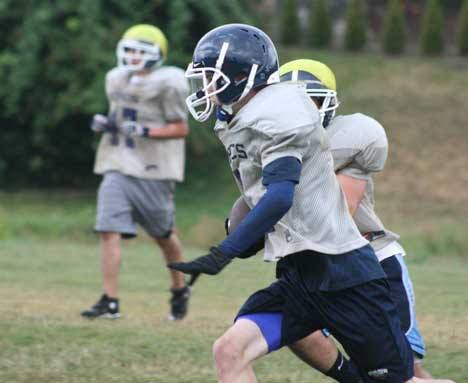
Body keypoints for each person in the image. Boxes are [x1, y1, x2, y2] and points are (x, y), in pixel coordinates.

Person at [170, 23, 421, 383]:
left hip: (346, 277)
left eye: (211, 77)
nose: (205, 88)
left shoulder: (278, 111)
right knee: (229, 350)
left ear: (243, 75)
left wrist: (222, 252)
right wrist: (242, 235)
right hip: (299, 277)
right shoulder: (238, 120)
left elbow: (281, 196)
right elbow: (260, 202)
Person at [278, 59, 438, 380]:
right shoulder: (274, 148)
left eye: (310, 101)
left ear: (328, 103)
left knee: (408, 374)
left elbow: (339, 214)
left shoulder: (351, 137)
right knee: (290, 326)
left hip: (372, 263)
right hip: (318, 270)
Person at [81, 24, 190, 321]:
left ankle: (179, 288)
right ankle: (109, 300)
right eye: (128, 49)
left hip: (154, 171)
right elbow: (120, 117)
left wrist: (144, 130)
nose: (132, 56)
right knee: (107, 229)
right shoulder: (116, 79)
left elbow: (181, 128)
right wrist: (107, 124)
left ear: (157, 56)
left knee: (163, 236)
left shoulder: (170, 83)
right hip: (117, 163)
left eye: (140, 52)